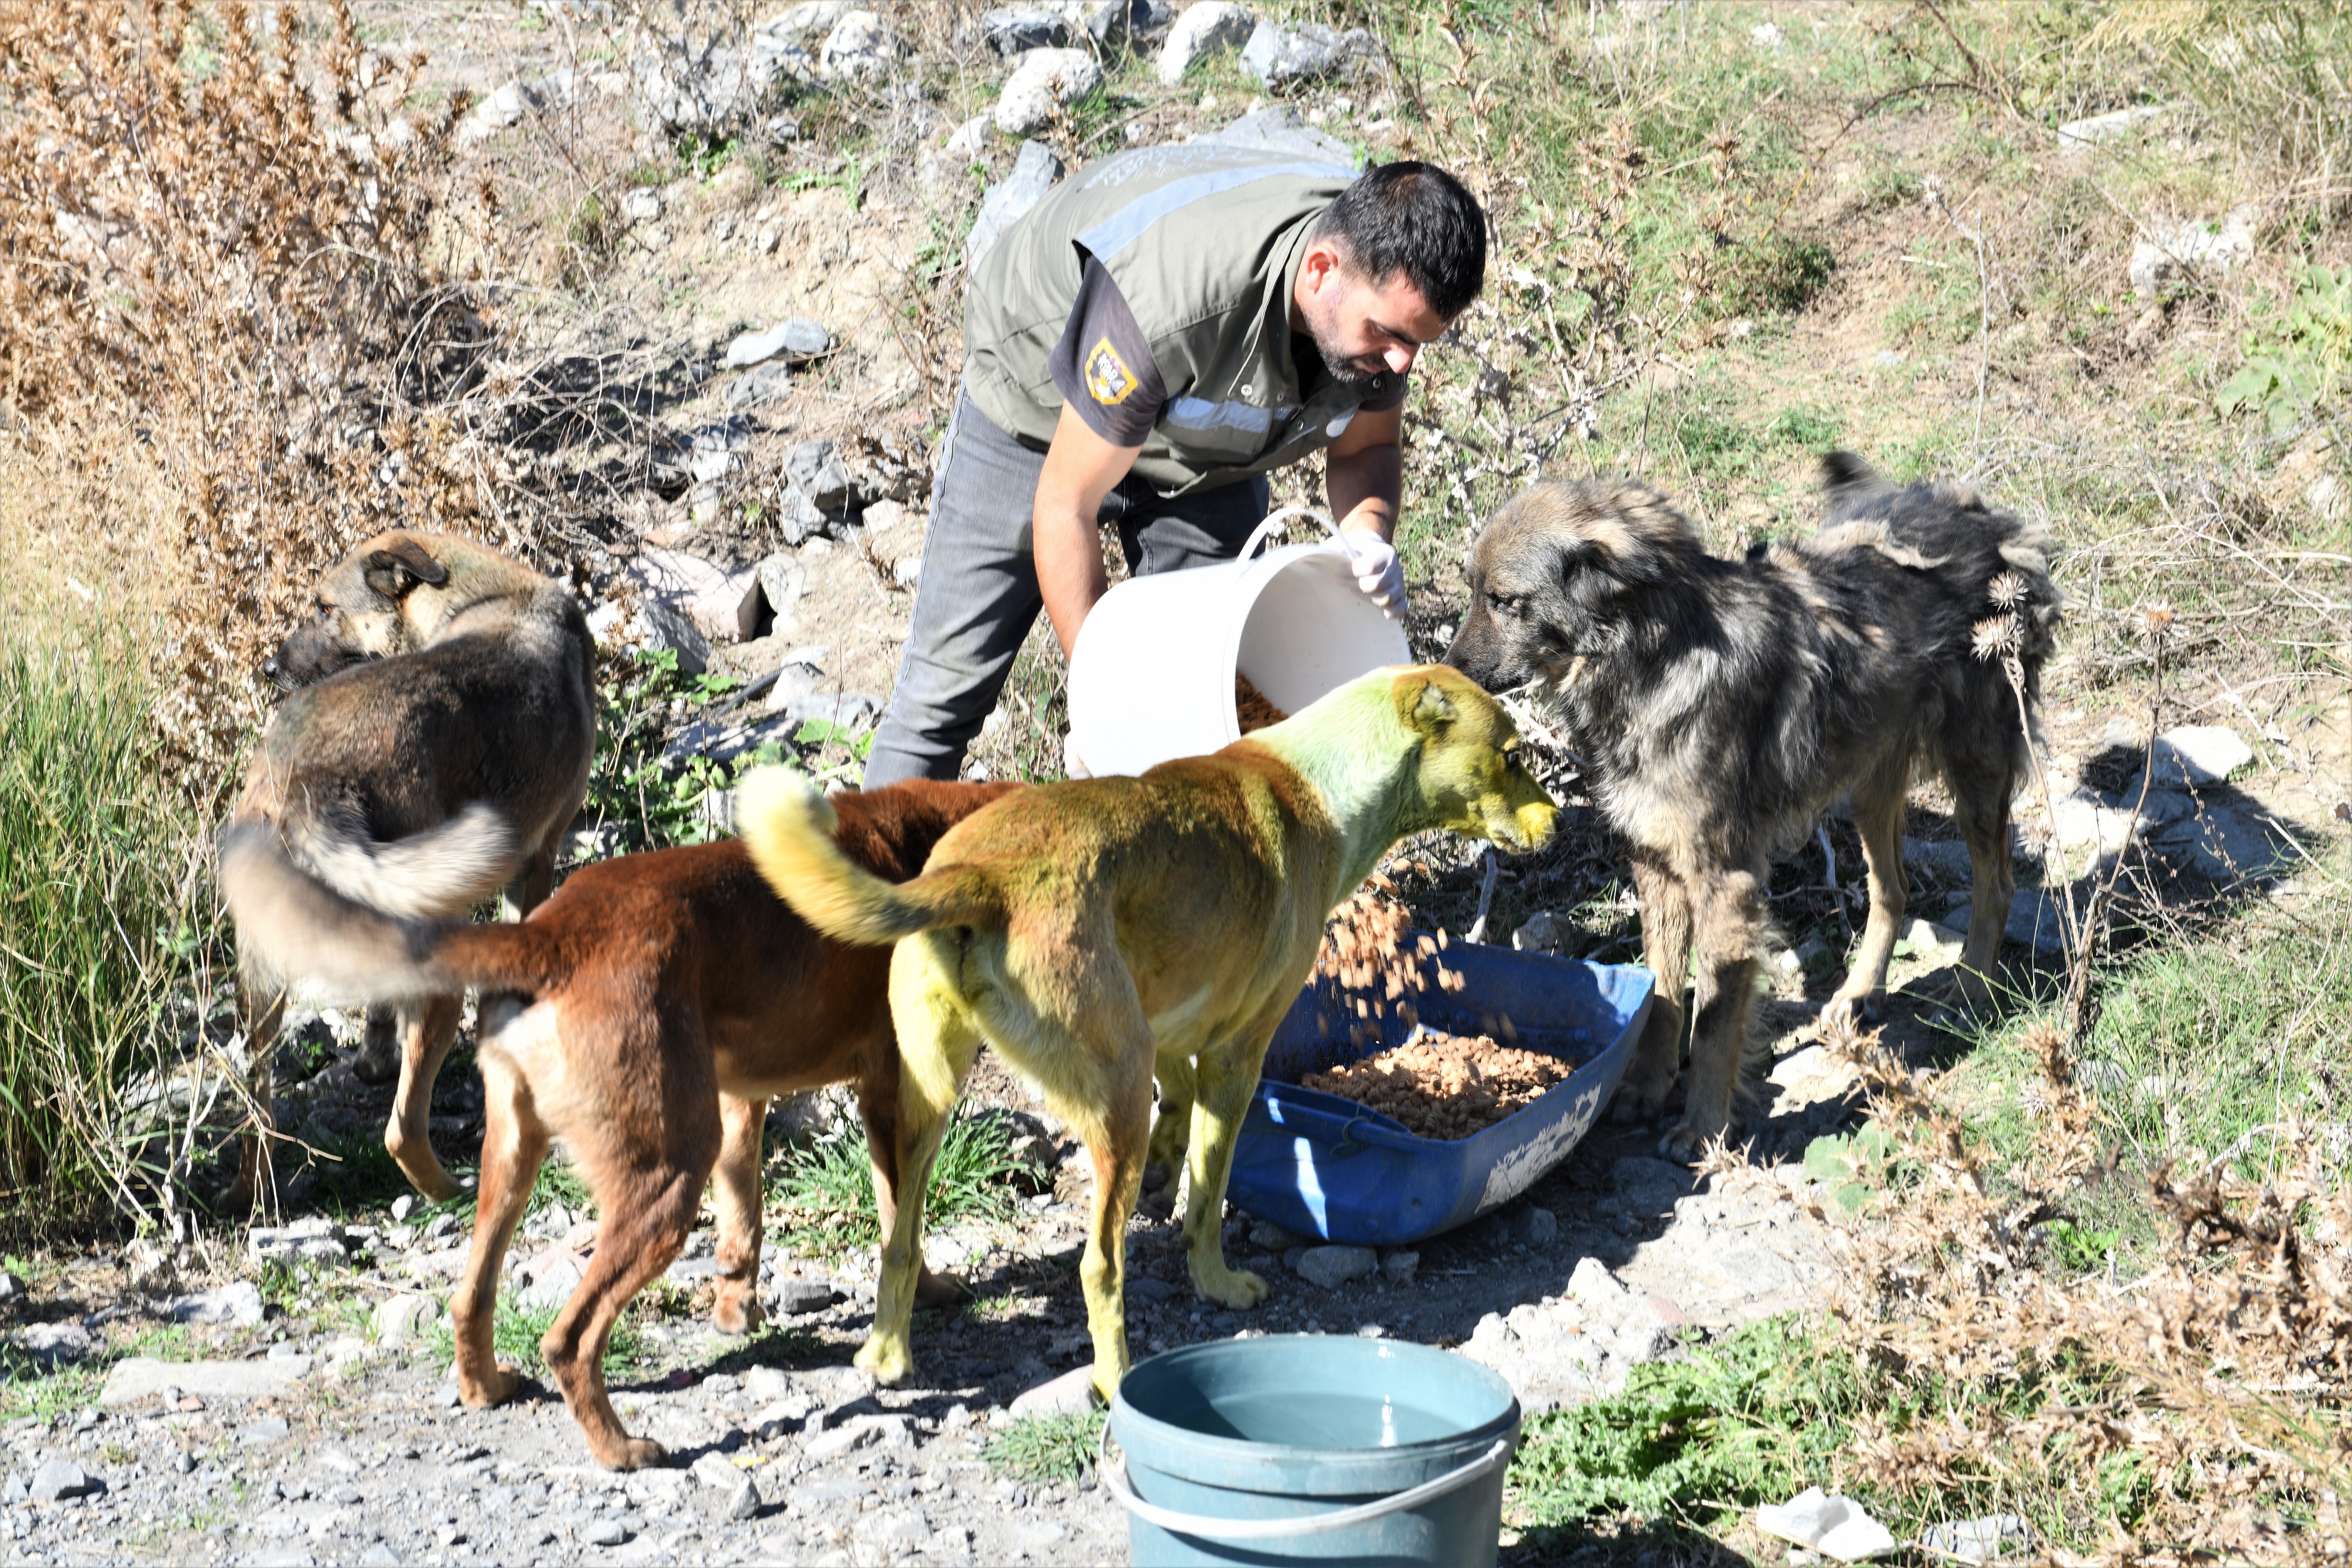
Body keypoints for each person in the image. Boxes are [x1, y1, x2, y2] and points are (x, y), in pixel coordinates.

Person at [862, 145, 1488, 787]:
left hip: (1198, 447)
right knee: (945, 695)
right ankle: (861, 883)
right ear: (1320, 271)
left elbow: (1367, 449)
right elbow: (1064, 503)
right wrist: (1107, 707)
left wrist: (1366, 537)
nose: (1402, 363)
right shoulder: (1172, 301)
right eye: (1388, 335)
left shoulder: (1373, 299)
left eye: (1417, 342)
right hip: (1038, 410)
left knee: (1212, 702)